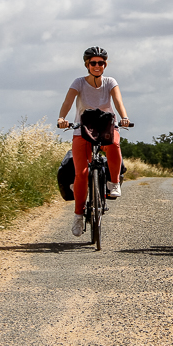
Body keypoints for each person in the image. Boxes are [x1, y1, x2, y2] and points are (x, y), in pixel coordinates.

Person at [58, 46, 131, 237]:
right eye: (93, 63)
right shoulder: (79, 82)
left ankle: (114, 183)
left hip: (106, 126)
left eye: (101, 63)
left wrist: (123, 117)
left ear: (105, 65)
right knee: (81, 174)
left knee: (114, 144)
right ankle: (78, 216)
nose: (97, 66)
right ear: (87, 65)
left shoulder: (110, 82)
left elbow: (117, 101)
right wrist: (61, 118)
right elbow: (68, 102)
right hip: (83, 128)